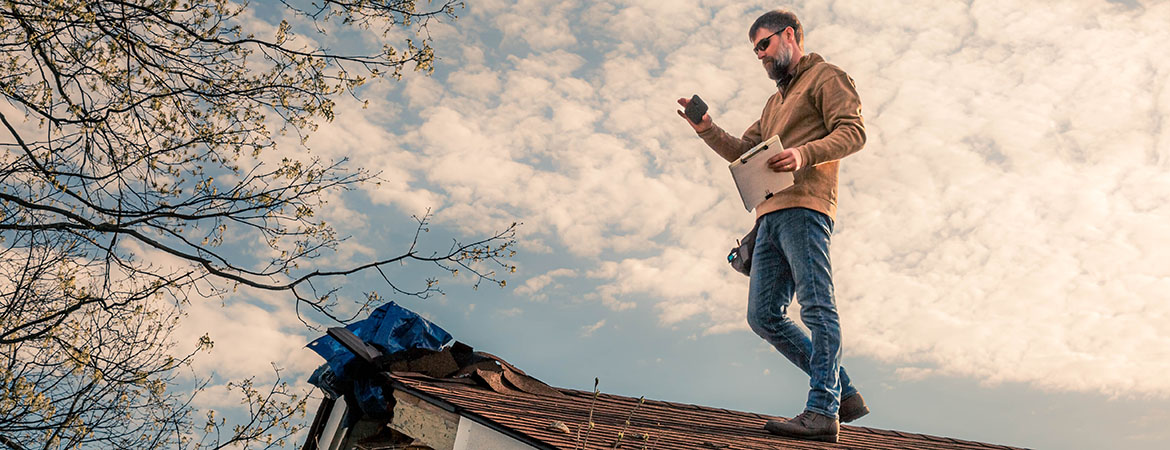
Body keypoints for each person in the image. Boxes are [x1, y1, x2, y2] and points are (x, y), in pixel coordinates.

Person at [677, 9, 868, 444]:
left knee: (817, 307)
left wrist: (804, 154)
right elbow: (745, 151)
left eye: (764, 44)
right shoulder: (774, 103)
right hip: (768, 217)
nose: (760, 55)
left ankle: (823, 410)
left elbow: (853, 132)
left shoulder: (826, 77)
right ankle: (845, 390)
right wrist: (706, 128)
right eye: (755, 50)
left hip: (805, 208)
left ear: (790, 35)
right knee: (763, 315)